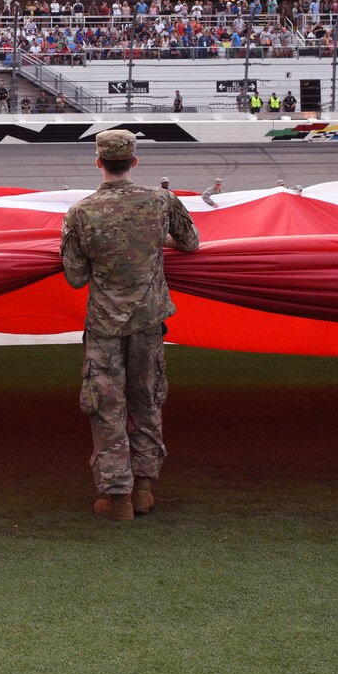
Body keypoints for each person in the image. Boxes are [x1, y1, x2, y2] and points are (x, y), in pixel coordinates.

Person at [59, 130, 202, 521]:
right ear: (134, 162)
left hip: (104, 326)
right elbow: (191, 243)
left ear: (98, 162)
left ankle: (116, 497)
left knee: (106, 406)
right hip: (149, 323)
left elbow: (74, 277)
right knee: (146, 401)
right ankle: (143, 490)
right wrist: (156, 244)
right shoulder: (161, 200)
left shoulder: (80, 212)